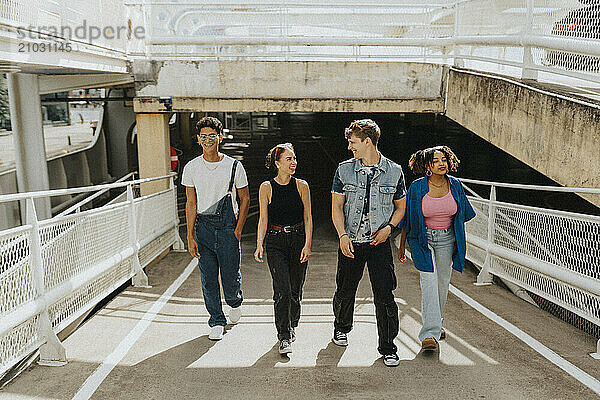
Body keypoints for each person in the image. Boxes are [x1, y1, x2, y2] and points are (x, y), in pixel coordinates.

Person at [331, 119, 406, 367]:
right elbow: (337, 207)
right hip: (351, 240)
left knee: (385, 295)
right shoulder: (344, 170)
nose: (350, 147)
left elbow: (400, 207)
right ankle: (341, 327)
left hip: (379, 242)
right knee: (345, 288)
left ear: (367, 141)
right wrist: (342, 235)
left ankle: (388, 347)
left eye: (353, 142)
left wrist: (389, 228)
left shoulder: (394, 171)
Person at [397, 146, 475, 351]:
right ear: (427, 165)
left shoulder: (455, 185)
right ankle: (429, 335)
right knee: (429, 282)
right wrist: (402, 244)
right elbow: (409, 218)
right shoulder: (417, 187)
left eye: (444, 160)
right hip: (423, 239)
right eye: (436, 160)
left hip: (447, 239)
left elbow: (463, 214)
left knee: (441, 284)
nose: (442, 163)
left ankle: (436, 322)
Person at [182, 116, 250, 341]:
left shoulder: (234, 166)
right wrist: (190, 235)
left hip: (228, 228)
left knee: (230, 276)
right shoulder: (191, 167)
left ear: (220, 137)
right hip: (203, 229)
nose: (208, 140)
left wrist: (238, 230)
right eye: (204, 137)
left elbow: (245, 198)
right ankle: (216, 320)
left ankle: (234, 301)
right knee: (208, 278)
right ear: (198, 139)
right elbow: (191, 202)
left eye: (212, 136)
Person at [254, 143, 313, 355]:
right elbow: (263, 218)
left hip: (298, 240)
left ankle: (292, 323)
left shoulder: (301, 186)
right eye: (288, 159)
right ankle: (284, 336)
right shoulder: (266, 187)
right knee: (283, 290)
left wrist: (307, 243)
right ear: (277, 163)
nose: (293, 162)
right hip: (275, 241)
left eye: (294, 158)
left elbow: (308, 217)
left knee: (296, 290)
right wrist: (259, 243)